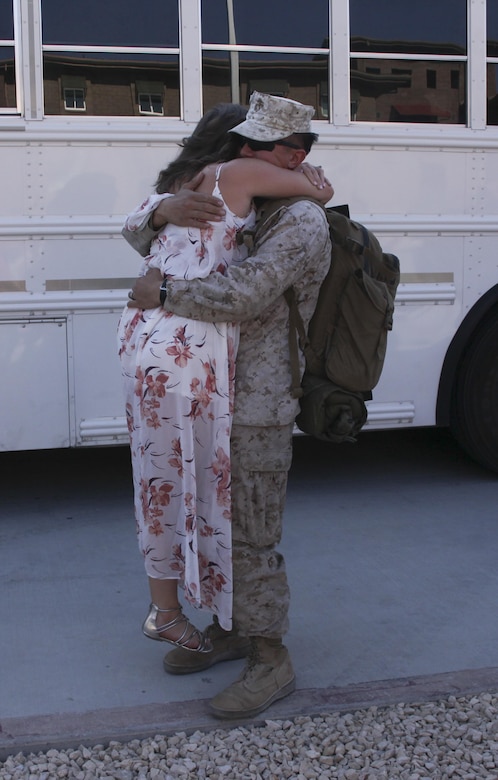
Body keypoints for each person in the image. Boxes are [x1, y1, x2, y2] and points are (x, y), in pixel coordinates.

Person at [124, 91, 333, 719]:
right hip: (209, 390)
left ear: (291, 155)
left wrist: (162, 289)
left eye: (256, 146)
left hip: (258, 400)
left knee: (249, 531)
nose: (242, 153)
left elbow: (245, 292)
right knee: (206, 521)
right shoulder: (243, 200)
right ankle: (231, 626)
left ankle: (270, 657)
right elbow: (138, 235)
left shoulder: (301, 219)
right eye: (239, 143)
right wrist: (163, 211)